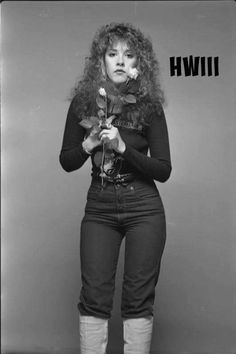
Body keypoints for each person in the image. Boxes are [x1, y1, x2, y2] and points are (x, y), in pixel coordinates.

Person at [59, 22, 172, 354]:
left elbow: (163, 170)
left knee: (138, 299)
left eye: (129, 55)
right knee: (94, 297)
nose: (120, 61)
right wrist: (89, 143)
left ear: (140, 64)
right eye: (113, 54)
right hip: (100, 206)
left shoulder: (149, 107)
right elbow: (67, 161)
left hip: (144, 208)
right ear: (101, 61)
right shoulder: (83, 103)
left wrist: (124, 148)